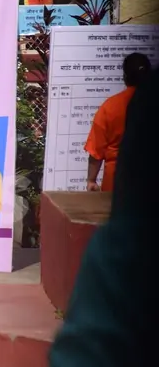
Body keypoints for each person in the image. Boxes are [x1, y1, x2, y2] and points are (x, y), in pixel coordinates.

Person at [47, 67, 157, 367]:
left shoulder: (115, 104)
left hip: (124, 182)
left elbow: (96, 148)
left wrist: (90, 179)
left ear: (124, 75)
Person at [84, 52, 151, 192]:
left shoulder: (110, 106)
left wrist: (91, 180)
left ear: (125, 77)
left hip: (117, 183)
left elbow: (96, 151)